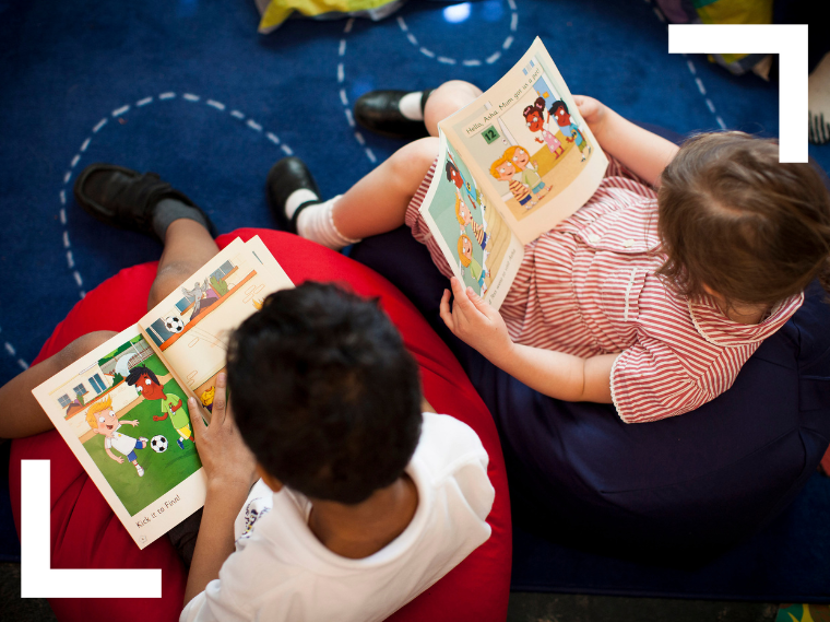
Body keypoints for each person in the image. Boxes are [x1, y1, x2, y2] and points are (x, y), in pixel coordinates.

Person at [0, 164, 495, 622]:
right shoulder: (458, 452)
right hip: (293, 487)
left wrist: (229, 480)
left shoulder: (265, 589)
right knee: (180, 299)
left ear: (271, 473)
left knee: (98, 350)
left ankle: (178, 217)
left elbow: (196, 613)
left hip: (235, 520)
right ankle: (180, 219)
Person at [267, 80, 830, 424]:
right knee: (458, 103)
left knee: (422, 162)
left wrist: (503, 350)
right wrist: (606, 123)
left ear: (698, 274)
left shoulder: (690, 365)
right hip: (572, 195)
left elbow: (586, 378)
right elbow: (679, 175)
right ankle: (430, 107)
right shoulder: (736, 227)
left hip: (515, 268)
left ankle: (318, 225)